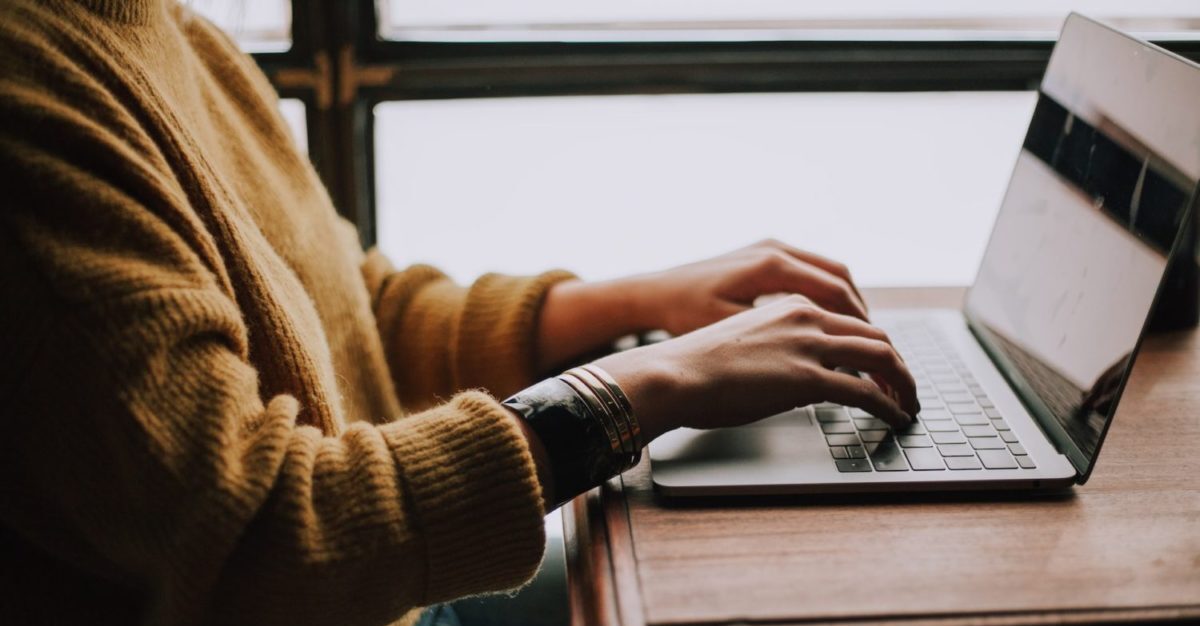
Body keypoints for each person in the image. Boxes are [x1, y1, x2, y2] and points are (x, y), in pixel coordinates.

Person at [0, 1, 919, 625]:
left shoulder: (165, 30)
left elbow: (354, 311)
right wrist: (639, 387)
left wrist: (637, 304)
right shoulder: (29, 98)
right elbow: (261, 539)